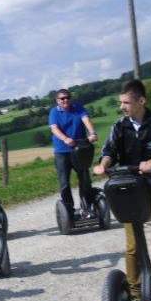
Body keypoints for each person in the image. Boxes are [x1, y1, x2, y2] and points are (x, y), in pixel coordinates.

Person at [93, 80, 151, 301]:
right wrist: (104, 164)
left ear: (141, 101)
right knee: (132, 247)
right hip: (130, 190)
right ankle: (134, 295)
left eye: (126, 102)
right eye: (120, 102)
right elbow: (109, 150)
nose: (122, 107)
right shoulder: (119, 126)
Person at [49, 89, 99, 218]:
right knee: (64, 182)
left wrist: (92, 133)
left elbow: (85, 119)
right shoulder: (54, 112)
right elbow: (54, 128)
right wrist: (65, 139)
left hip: (80, 149)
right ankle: (69, 210)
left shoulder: (78, 108)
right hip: (62, 151)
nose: (65, 100)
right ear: (57, 101)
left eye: (67, 97)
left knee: (85, 179)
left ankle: (86, 207)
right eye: (62, 98)